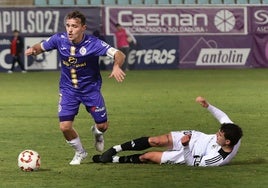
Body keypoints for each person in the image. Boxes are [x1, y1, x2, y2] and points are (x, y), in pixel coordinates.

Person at [25, 11, 126, 165]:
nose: (70, 30)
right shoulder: (59, 39)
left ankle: (98, 133)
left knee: (103, 125)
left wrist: (116, 66)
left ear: (83, 28)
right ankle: (80, 152)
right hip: (68, 90)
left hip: (90, 90)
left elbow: (119, 54)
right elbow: (41, 46)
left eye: (74, 26)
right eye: (68, 26)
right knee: (65, 127)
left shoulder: (94, 43)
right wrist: (33, 50)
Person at [93, 96, 243, 167]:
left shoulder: (217, 159)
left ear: (227, 142)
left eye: (219, 135)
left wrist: (185, 146)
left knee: (148, 156)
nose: (216, 134)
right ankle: (115, 149)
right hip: (194, 137)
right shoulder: (232, 131)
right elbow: (223, 117)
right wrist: (208, 106)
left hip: (187, 154)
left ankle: (114, 160)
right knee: (155, 140)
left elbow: (191, 163)